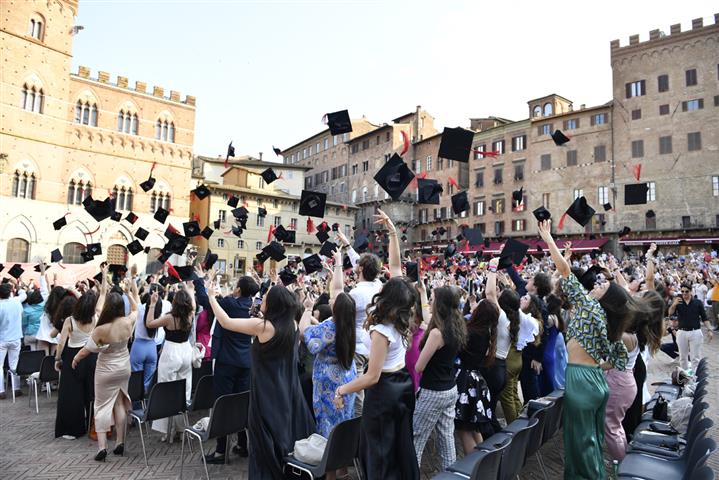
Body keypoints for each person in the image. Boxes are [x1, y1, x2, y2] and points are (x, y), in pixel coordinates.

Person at [538, 220, 632, 480]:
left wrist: (549, 240)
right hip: (594, 380)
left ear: (606, 297)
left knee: (581, 442)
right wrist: (597, 367)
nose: (596, 285)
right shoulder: (602, 318)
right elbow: (619, 357)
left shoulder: (590, 308)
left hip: (581, 379)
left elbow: (565, 272)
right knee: (590, 439)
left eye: (601, 286)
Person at [334, 209, 420, 480]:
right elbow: (395, 269)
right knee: (398, 444)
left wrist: (342, 389)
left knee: (379, 452)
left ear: (387, 297)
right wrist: (393, 232)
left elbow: (371, 376)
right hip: (403, 384)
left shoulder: (382, 330)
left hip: (384, 392)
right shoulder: (406, 313)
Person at [206, 274, 314, 480]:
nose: (260, 300)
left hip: (265, 394)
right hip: (284, 392)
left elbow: (225, 322)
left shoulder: (263, 327)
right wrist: (305, 307)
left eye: (265, 298)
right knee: (280, 437)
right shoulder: (290, 325)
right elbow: (301, 329)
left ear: (273, 305)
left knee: (262, 443)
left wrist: (212, 297)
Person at [72, 266, 138, 461]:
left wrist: (76, 358)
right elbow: (136, 308)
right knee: (119, 404)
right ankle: (120, 442)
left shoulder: (101, 329)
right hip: (123, 367)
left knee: (101, 406)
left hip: (106, 369)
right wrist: (129, 291)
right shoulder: (128, 322)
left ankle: (102, 447)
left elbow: (88, 349)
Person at [197, 272, 259, 463]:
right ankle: (241, 444)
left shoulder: (230, 304)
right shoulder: (254, 306)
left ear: (238, 289)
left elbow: (204, 299)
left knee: (222, 404)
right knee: (241, 403)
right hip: (246, 362)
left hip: (227, 362)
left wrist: (201, 279)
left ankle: (220, 451)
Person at [413, 286, 467, 470]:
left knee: (416, 439)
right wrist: (422, 293)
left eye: (433, 299)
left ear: (440, 304)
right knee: (446, 438)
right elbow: (429, 320)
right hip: (450, 389)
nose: (431, 303)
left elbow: (419, 366)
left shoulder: (437, 333)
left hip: (432, 392)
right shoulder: (456, 325)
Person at [336, 228, 383, 416]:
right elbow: (360, 263)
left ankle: (357, 425)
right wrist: (347, 246)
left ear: (361, 269)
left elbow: (340, 313)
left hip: (356, 348)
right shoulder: (378, 286)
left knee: (357, 390)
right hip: (372, 345)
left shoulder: (355, 294)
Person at [146, 283, 196, 438]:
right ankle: (181, 429)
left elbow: (149, 324)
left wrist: (152, 305)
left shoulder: (169, 318)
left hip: (171, 353)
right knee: (184, 391)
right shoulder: (190, 315)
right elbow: (193, 304)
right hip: (186, 352)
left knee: (167, 390)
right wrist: (190, 290)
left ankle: (168, 432)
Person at [54, 290, 97, 439]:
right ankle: (92, 425)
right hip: (90, 355)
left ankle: (73, 430)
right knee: (90, 392)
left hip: (73, 356)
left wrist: (57, 359)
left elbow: (61, 344)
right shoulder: (95, 318)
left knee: (71, 394)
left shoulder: (70, 320)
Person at [480, 259, 509, 431]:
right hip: (501, 367)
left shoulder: (503, 317)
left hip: (492, 368)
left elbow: (490, 295)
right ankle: (502, 448)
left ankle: (496, 453)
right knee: (490, 412)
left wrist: (491, 268)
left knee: (486, 415)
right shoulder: (516, 316)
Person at [668, 282, 714, 371]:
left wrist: (709, 330)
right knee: (682, 357)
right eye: (682, 291)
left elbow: (705, 318)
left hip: (695, 331)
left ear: (691, 291)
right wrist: (674, 304)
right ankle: (685, 377)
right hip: (681, 332)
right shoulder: (678, 302)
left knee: (695, 357)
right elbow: (670, 313)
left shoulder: (697, 302)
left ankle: (694, 379)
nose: (684, 293)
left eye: (686, 291)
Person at [129, 284, 164, 395]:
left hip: (138, 347)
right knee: (148, 381)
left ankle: (135, 405)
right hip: (152, 348)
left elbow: (135, 293)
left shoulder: (141, 309)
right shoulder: (159, 313)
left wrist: (133, 278)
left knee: (135, 379)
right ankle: (146, 405)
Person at [0, 281, 27, 399]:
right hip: (16, 337)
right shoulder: (16, 301)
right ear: (11, 292)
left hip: (2, 338)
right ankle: (16, 389)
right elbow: (24, 294)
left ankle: (1, 390)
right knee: (14, 364)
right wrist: (18, 283)